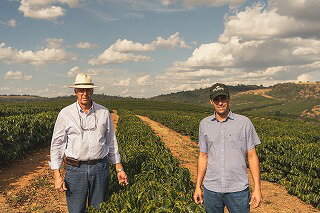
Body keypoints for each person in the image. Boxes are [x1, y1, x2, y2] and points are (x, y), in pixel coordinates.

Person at [50, 73, 128, 213]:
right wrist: (57, 175)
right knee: (76, 210)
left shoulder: (103, 112)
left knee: (98, 209)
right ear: (75, 92)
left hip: (100, 168)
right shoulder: (65, 114)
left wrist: (119, 168)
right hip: (75, 170)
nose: (84, 94)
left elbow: (111, 142)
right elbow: (57, 145)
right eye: (81, 90)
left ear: (92, 91)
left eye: (87, 90)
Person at [193, 83, 262, 213]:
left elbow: (252, 156)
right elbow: (203, 156)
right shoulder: (204, 124)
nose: (220, 103)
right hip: (212, 189)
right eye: (216, 100)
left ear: (229, 99)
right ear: (211, 101)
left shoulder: (244, 123)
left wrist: (257, 189)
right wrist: (198, 186)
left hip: (238, 189)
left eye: (223, 99)